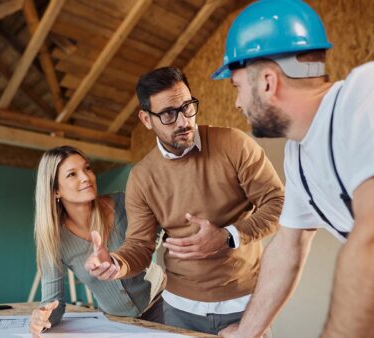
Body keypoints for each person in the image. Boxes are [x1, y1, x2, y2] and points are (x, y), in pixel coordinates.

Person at [210, 1, 374, 337]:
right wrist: (246, 333)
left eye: (237, 87)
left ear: (268, 82)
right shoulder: (298, 155)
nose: (237, 103)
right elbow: (288, 249)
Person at [84, 67, 285, 335]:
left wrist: (228, 236)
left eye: (188, 107)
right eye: (168, 114)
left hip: (245, 304)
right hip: (179, 311)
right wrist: (116, 263)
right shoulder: (142, 177)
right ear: (146, 119)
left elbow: (278, 203)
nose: (183, 121)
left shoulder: (235, 144)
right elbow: (141, 245)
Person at [29, 146, 166, 337]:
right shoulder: (54, 241)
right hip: (116, 323)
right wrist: (43, 317)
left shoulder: (123, 203)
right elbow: (53, 303)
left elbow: (158, 231)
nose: (86, 177)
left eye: (87, 168)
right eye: (72, 175)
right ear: (55, 191)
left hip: (162, 303)